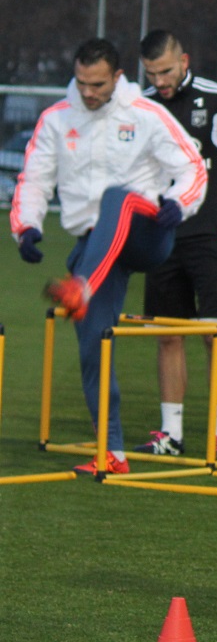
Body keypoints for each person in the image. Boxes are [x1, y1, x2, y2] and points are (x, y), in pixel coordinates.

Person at [11, 38, 207, 474]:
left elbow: (192, 166)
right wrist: (26, 226)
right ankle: (112, 451)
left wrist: (179, 201)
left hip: (147, 232)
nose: (89, 92)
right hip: (95, 248)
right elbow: (35, 178)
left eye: (98, 84)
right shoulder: (56, 120)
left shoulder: (147, 115)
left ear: (117, 78)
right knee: (92, 346)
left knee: (119, 198)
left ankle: (81, 286)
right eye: (81, 83)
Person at [134, 29, 217, 458]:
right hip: (162, 235)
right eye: (152, 73)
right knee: (167, 334)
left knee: (216, 335)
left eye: (166, 71)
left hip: (211, 235)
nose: (161, 80)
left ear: (184, 60)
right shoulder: (145, 106)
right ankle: (170, 434)